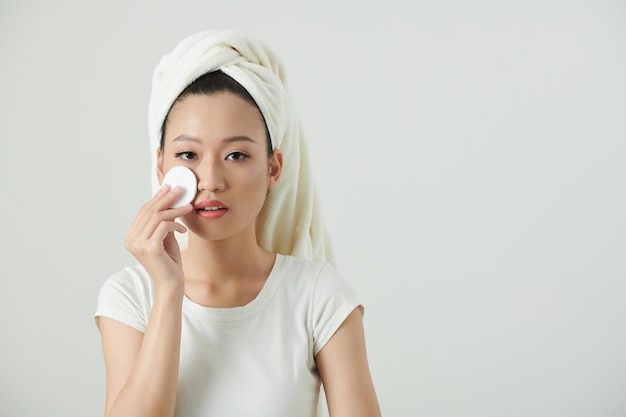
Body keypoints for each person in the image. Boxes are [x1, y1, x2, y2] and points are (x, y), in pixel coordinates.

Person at [94, 29, 381, 417]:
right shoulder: (130, 296)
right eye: (188, 154)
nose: (210, 179)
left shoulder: (319, 296)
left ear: (273, 168)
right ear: (161, 165)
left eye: (236, 155)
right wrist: (168, 292)